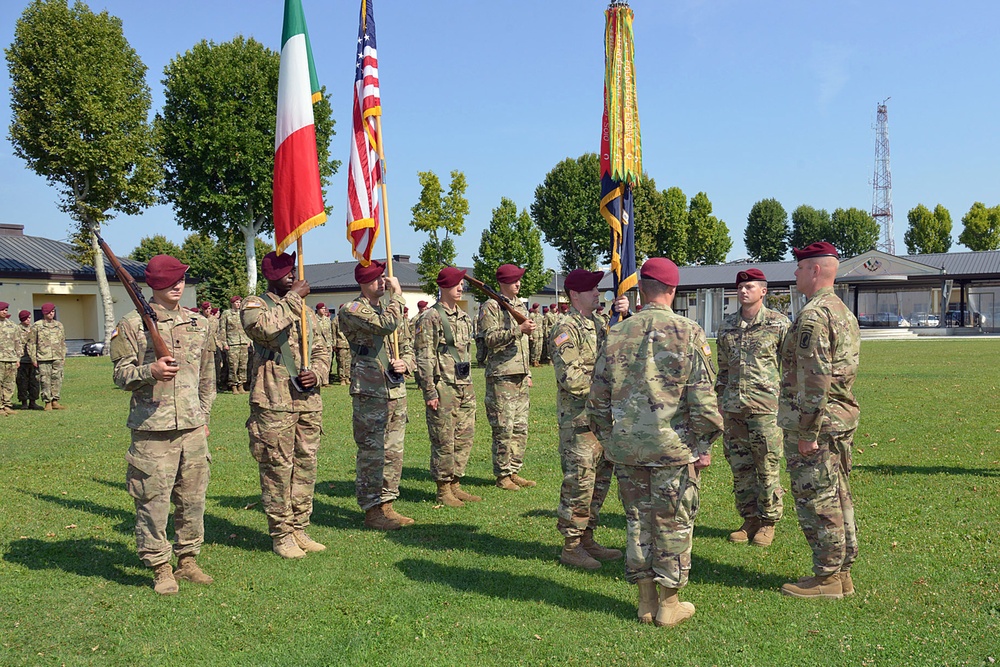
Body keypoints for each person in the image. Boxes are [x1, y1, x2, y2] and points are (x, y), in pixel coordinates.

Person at [588, 257, 723, 628]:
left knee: (637, 523)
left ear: (641, 289)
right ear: (673, 290)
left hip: (629, 448)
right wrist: (704, 445)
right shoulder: (687, 331)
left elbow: (596, 400)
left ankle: (645, 601)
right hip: (673, 448)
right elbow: (703, 399)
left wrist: (610, 439)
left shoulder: (616, 332)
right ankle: (669, 605)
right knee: (673, 523)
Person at [110, 254, 216, 595]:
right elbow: (120, 374)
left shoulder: (200, 324)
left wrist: (203, 417)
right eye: (170, 282)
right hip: (152, 430)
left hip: (192, 427)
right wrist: (149, 371)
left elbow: (207, 377)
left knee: (193, 498)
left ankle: (188, 560)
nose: (178, 286)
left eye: (182, 280)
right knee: (152, 501)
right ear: (154, 285)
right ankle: (160, 567)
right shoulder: (131, 323)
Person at [778, 242, 861, 600]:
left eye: (798, 267)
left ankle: (827, 577)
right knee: (838, 494)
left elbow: (816, 378)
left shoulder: (814, 315)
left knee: (817, 499)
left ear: (814, 270)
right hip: (838, 418)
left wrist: (807, 432)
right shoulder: (841, 309)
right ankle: (841, 571)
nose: (794, 273)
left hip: (818, 423)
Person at [242, 252, 331, 559]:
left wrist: (317, 374)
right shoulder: (254, 305)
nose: (293, 276)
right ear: (269, 276)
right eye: (285, 272)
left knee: (306, 466)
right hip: (274, 400)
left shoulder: (306, 312)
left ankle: (300, 528)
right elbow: (265, 329)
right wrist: (293, 298)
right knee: (277, 468)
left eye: (293, 271)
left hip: (307, 401)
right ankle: (281, 533)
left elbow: (322, 350)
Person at [549, 270, 628, 570]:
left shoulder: (597, 324)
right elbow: (571, 378)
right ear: (574, 295)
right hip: (579, 422)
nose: (598, 293)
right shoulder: (565, 328)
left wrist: (625, 315)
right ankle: (571, 546)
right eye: (591, 289)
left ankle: (587, 537)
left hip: (601, 421)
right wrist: (610, 389)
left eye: (597, 288)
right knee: (579, 484)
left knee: (599, 482)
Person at [715, 268, 790, 548]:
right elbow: (722, 370)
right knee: (740, 467)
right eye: (741, 287)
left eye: (750, 286)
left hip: (765, 409)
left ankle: (768, 521)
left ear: (764, 291)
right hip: (733, 410)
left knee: (767, 465)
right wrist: (720, 402)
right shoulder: (726, 327)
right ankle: (749, 519)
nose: (744, 291)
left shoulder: (778, 324)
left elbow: (791, 367)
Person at [338, 260, 415, 530]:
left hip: (394, 388)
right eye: (376, 279)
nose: (382, 283)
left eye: (383, 278)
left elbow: (407, 345)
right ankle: (372, 509)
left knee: (394, 451)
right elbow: (385, 325)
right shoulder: (351, 309)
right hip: (370, 389)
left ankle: (388, 504)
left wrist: (407, 363)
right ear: (362, 283)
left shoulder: (390, 309)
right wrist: (398, 296)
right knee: (372, 452)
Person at [413, 267, 480, 508]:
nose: (460, 288)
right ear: (443, 288)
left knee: (464, 437)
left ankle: (456, 484)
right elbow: (424, 355)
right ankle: (443, 489)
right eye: (455, 284)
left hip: (464, 384)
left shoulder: (463, 316)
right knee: (444, 438)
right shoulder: (431, 316)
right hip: (443, 386)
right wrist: (429, 390)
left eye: (461, 284)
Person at [479, 263, 536, 491]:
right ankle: (502, 474)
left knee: (521, 428)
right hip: (501, 375)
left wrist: (528, 371)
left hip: (520, 375)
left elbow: (525, 345)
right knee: (504, 428)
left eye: (519, 280)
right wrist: (517, 330)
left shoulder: (519, 305)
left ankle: (514, 470)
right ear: (503, 283)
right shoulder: (490, 307)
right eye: (514, 281)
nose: (518, 284)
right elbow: (489, 339)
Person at [34, 302, 66, 410]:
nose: (51, 314)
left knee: (57, 378)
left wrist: (63, 356)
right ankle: (47, 402)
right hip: (43, 357)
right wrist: (33, 358)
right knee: (44, 380)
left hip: (57, 356)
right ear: (44, 313)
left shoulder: (59, 325)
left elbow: (62, 342)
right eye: (49, 312)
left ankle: (55, 400)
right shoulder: (38, 325)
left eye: (53, 311)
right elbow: (32, 343)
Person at [223, 295, 252, 393]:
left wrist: (249, 340)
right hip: (232, 343)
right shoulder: (227, 314)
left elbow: (247, 327)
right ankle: (233, 385)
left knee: (243, 365)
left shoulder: (243, 313)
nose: (238, 304)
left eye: (239, 302)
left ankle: (241, 385)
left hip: (243, 342)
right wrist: (224, 343)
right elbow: (222, 329)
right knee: (233, 365)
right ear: (232, 303)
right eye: (236, 302)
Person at [16, 310, 41, 410]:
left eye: (29, 318)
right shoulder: (17, 329)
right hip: (22, 359)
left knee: (34, 382)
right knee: (22, 382)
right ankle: (24, 402)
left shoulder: (33, 329)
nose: (28, 320)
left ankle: (33, 401)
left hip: (33, 360)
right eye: (26, 318)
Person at [0, 302, 19, 415]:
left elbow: (17, 342)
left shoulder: (12, 325)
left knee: (9, 383)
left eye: (6, 310)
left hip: (11, 358)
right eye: (2, 309)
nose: (4, 312)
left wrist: (18, 358)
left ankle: (7, 405)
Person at [314, 303, 334, 386]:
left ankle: (326, 380)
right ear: (318, 310)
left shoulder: (327, 319)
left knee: (328, 362)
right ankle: (320, 380)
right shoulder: (314, 319)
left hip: (328, 344)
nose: (324, 310)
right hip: (319, 344)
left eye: (324, 308)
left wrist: (332, 343)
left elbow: (330, 331)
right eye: (322, 308)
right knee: (319, 362)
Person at [333, 308, 352, 386]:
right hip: (340, 344)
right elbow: (333, 333)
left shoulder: (348, 319)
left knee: (348, 362)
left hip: (349, 344)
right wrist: (334, 344)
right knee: (341, 362)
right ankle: (342, 379)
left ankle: (347, 377)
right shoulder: (335, 320)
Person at [527, 303, 544, 367]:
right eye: (537, 308)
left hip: (540, 334)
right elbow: (529, 325)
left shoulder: (540, 315)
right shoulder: (532, 315)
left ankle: (538, 360)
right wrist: (530, 335)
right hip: (534, 334)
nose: (538, 309)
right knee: (535, 348)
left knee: (540, 348)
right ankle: (533, 361)